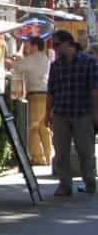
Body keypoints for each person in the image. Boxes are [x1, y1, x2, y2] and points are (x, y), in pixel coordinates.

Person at [44, 30, 98, 197]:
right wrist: (47, 114)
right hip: (61, 113)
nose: (55, 48)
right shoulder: (55, 65)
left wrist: (96, 113)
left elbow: (95, 90)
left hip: (83, 112)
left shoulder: (89, 62)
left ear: (68, 43)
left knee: (86, 151)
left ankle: (90, 183)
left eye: (57, 44)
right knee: (60, 152)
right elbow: (51, 91)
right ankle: (64, 185)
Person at [8, 36, 52, 167]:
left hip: (35, 95)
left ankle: (38, 157)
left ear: (35, 46)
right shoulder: (44, 58)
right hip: (45, 95)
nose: (26, 47)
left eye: (28, 45)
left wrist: (10, 61)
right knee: (44, 128)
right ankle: (48, 157)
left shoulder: (33, 58)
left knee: (33, 127)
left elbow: (17, 67)